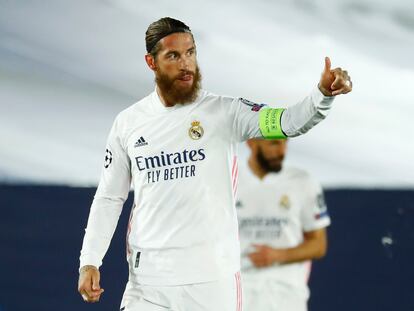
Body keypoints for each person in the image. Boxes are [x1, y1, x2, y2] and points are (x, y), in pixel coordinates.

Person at [77, 17, 352, 310]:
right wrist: (90, 260)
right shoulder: (128, 124)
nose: (186, 64)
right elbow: (109, 197)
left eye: (191, 52)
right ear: (151, 62)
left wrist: (321, 96)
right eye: (173, 55)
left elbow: (288, 122)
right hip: (148, 283)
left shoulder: (225, 112)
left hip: (212, 282)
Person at [237, 139, 330, 311]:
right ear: (251, 142)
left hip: (286, 296)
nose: (282, 151)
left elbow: (319, 245)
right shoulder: (230, 181)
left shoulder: (303, 182)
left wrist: (277, 255)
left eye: (284, 143)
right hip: (238, 294)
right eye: (273, 144)